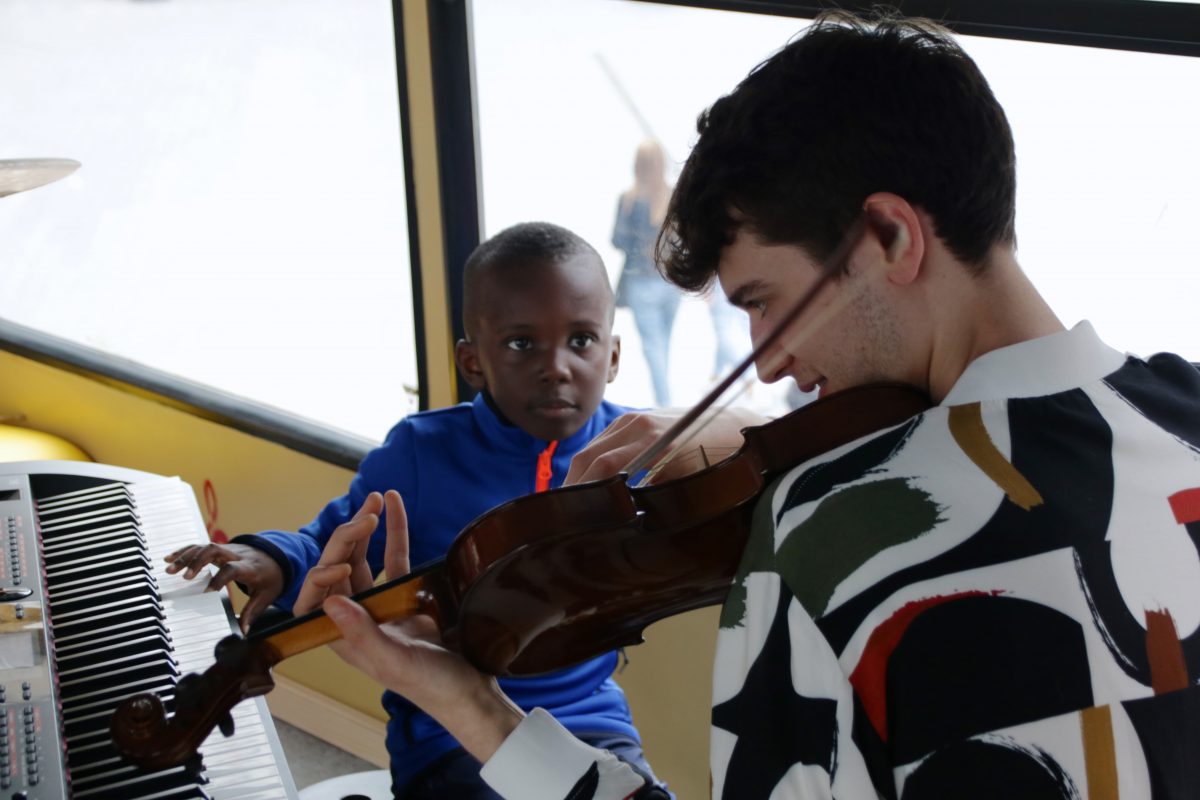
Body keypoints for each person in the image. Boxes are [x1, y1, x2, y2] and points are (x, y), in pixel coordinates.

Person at [295, 10, 1200, 799]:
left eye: (765, 302)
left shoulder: (829, 536)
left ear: (890, 236)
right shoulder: (1184, 410)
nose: (767, 368)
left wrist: (469, 703)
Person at [163, 221, 666, 798]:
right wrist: (271, 558)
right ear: (473, 362)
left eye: (581, 340)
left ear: (615, 354)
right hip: (446, 733)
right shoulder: (421, 452)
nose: (557, 366)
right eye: (523, 344)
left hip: (592, 722)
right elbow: (330, 540)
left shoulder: (635, 451)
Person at [612, 139, 682, 406]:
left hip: (642, 283)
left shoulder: (629, 200)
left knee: (654, 348)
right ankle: (667, 404)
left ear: (637, 165)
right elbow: (682, 240)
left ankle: (666, 406)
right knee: (661, 346)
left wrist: (636, 243)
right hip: (670, 282)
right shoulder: (673, 195)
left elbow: (617, 240)